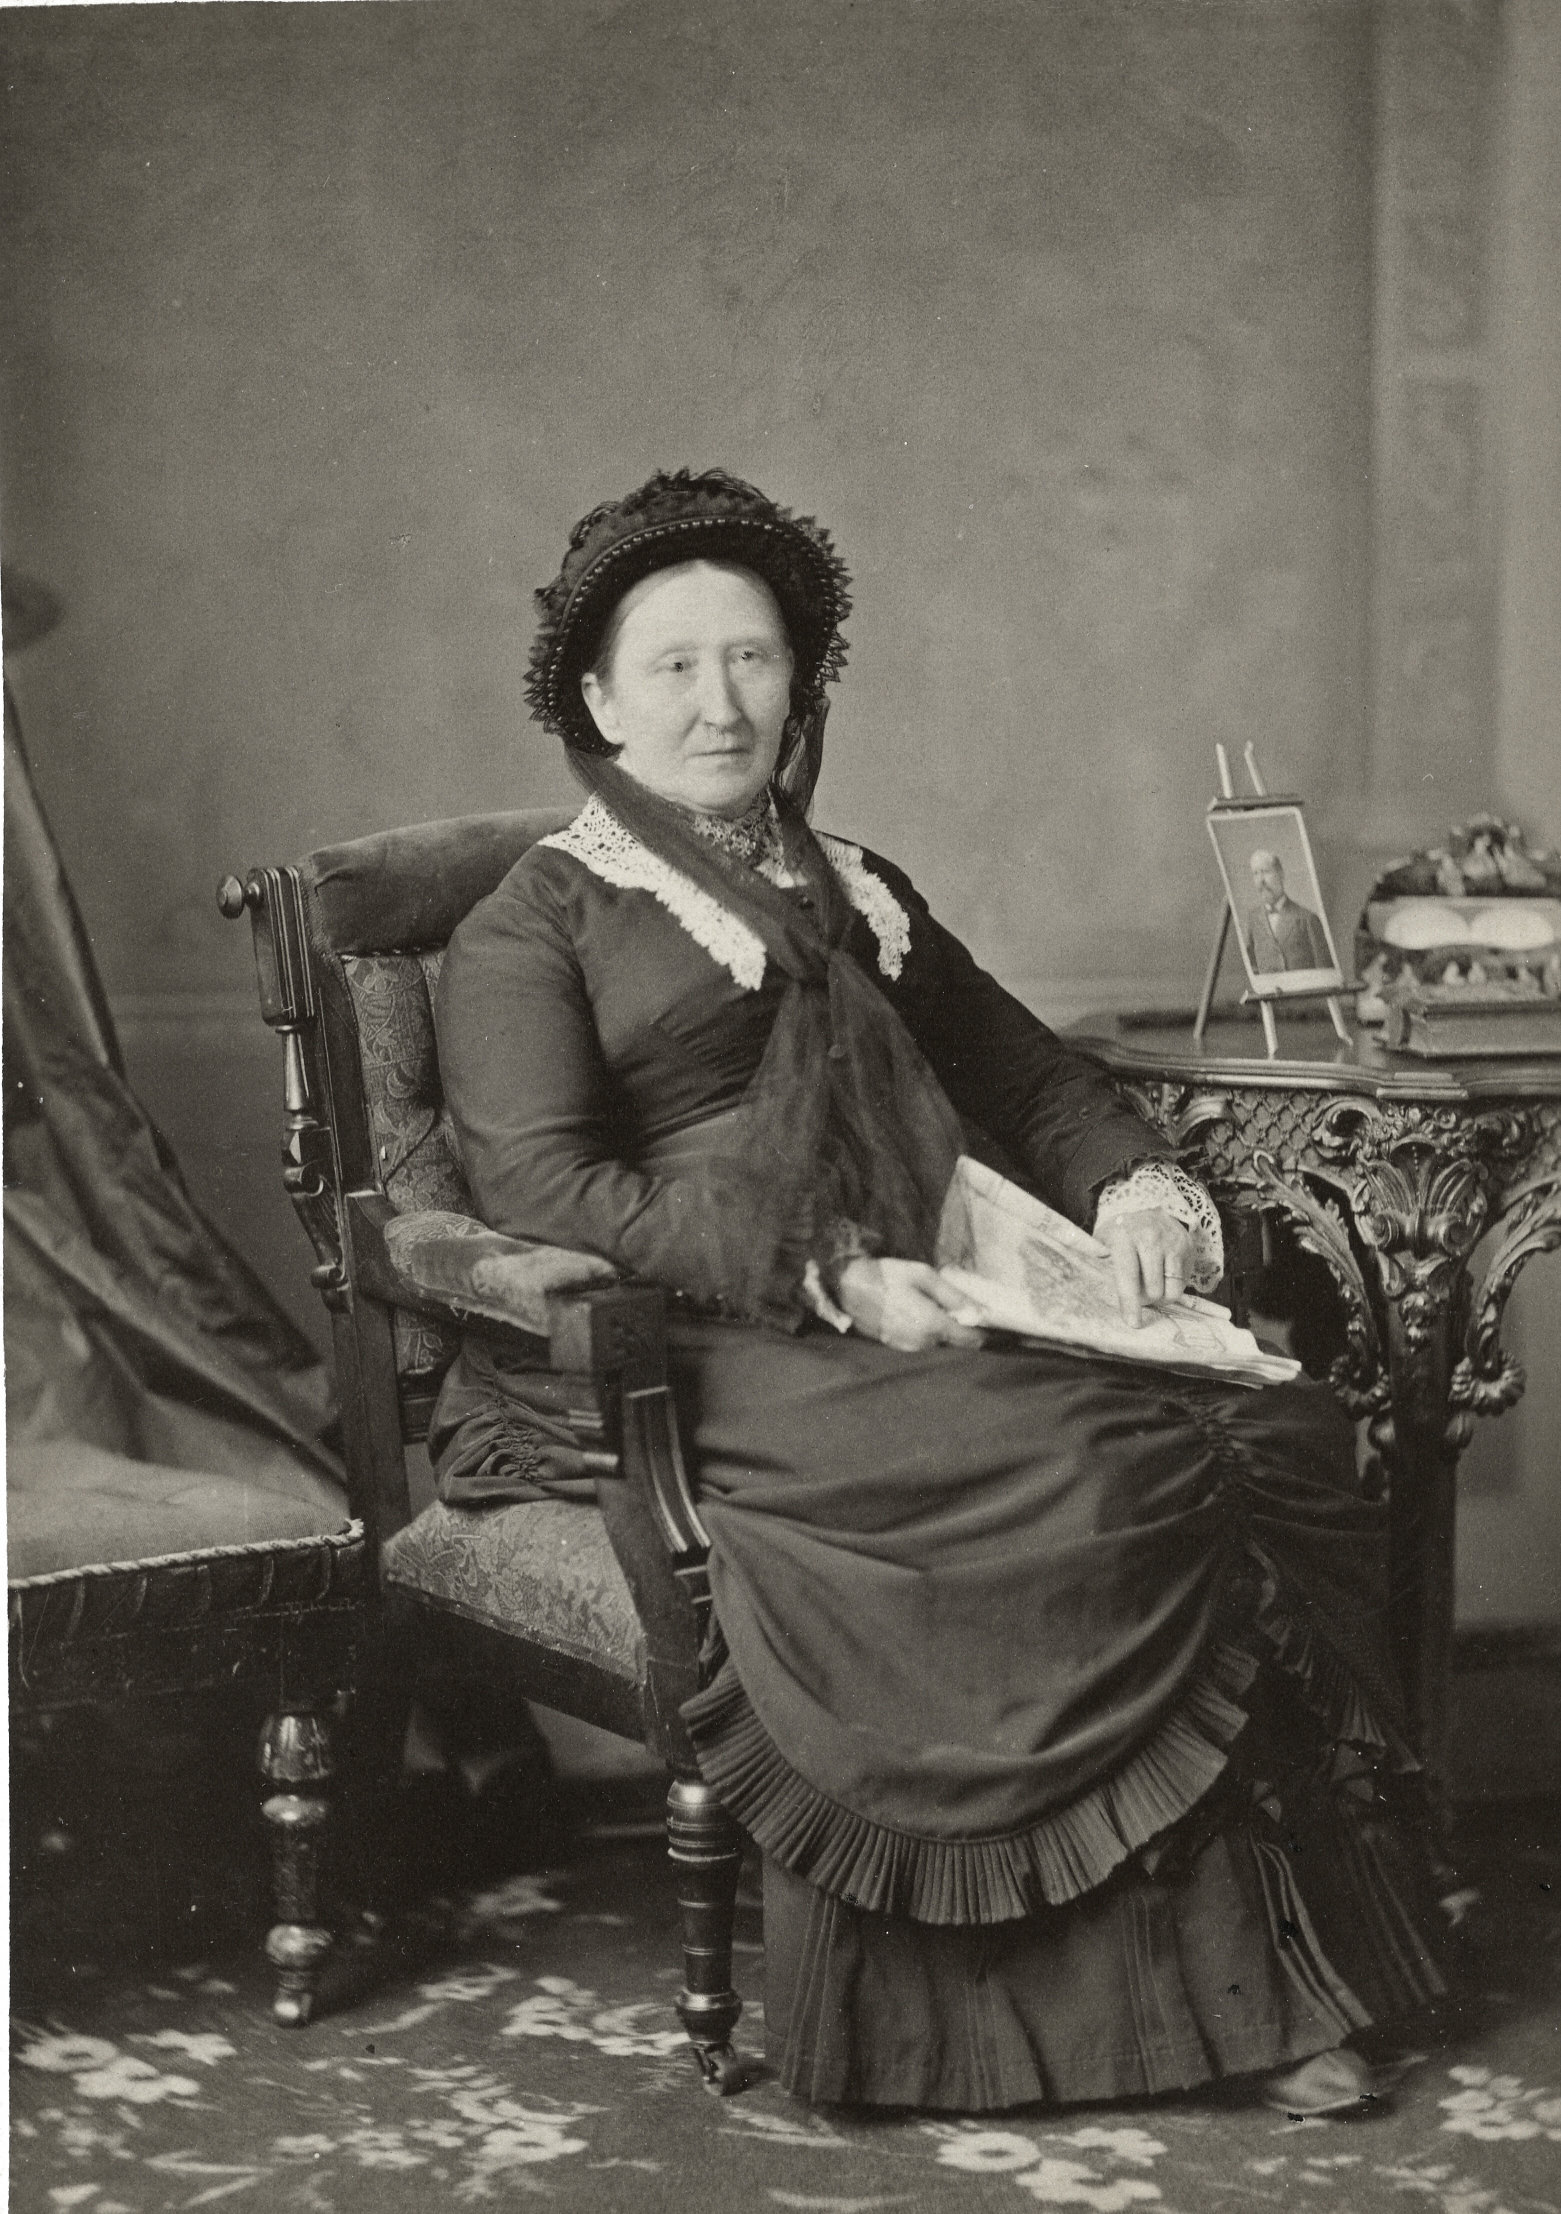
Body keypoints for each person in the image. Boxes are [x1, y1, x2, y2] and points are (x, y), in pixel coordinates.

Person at [429, 468, 1443, 2115]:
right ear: (599, 698)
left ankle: (1252, 1995)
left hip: (922, 1284)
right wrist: (815, 1267)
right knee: (1078, 1457)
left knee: (1229, 1417)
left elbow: (1030, 1076)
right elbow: (545, 1187)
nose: (717, 700)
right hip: (698, 1327)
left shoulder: (864, 891)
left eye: (750, 659)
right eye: (671, 666)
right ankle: (953, 2025)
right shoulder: (533, 922)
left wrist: (1135, 1183)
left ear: (800, 683)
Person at [1245, 849, 1334, 974]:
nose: (1261, 880)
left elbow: (1326, 972)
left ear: (1280, 874)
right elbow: (1251, 966)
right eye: (1256, 873)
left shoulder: (1307, 918)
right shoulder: (1253, 918)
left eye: (1265, 872)